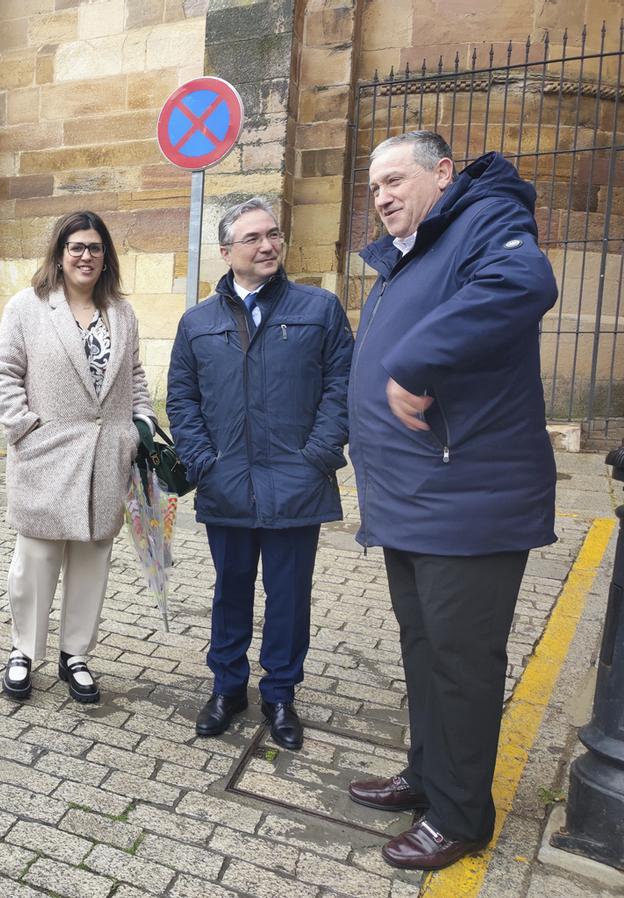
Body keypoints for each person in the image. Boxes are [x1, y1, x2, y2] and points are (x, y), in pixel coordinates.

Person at [346, 131, 557, 870]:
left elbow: (522, 286)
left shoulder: (486, 219)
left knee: (462, 662)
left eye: (395, 179)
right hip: (411, 499)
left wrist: (416, 359)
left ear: (442, 173)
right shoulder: (410, 255)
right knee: (424, 649)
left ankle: (462, 814)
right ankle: (431, 776)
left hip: (468, 499)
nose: (383, 197)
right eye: (374, 188)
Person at [166, 197, 352, 750]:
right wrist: (203, 461)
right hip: (227, 482)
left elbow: (341, 388)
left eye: (274, 234)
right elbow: (182, 397)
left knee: (290, 594)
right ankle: (228, 687)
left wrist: (318, 455)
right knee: (231, 591)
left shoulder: (319, 308)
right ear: (226, 252)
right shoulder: (197, 321)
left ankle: (280, 694)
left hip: (298, 483)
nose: (268, 245)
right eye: (253, 238)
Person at [0, 210, 154, 704]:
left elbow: (136, 376)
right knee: (35, 560)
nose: (86, 256)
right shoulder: (28, 306)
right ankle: (23, 651)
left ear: (107, 258)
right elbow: (3, 375)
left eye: (95, 248)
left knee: (92, 560)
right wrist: (25, 430)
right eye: (76, 247)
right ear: (59, 255)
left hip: (107, 457)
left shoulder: (121, 312)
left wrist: (140, 424)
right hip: (46, 453)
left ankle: (75, 655)